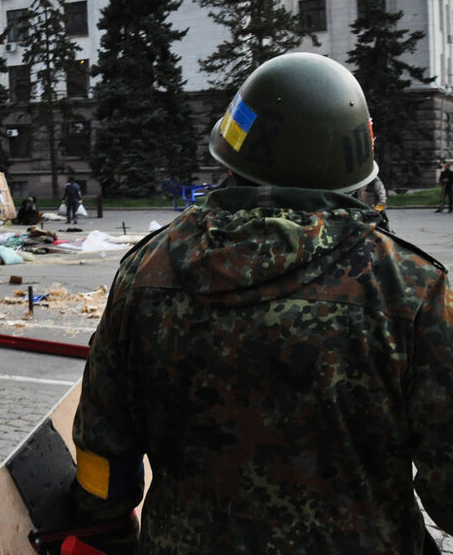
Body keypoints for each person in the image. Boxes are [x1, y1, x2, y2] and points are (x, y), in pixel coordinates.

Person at [66, 53, 453, 553]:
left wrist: (108, 535)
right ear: (355, 159)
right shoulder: (410, 287)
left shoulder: (145, 271)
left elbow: (103, 450)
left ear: (232, 153)